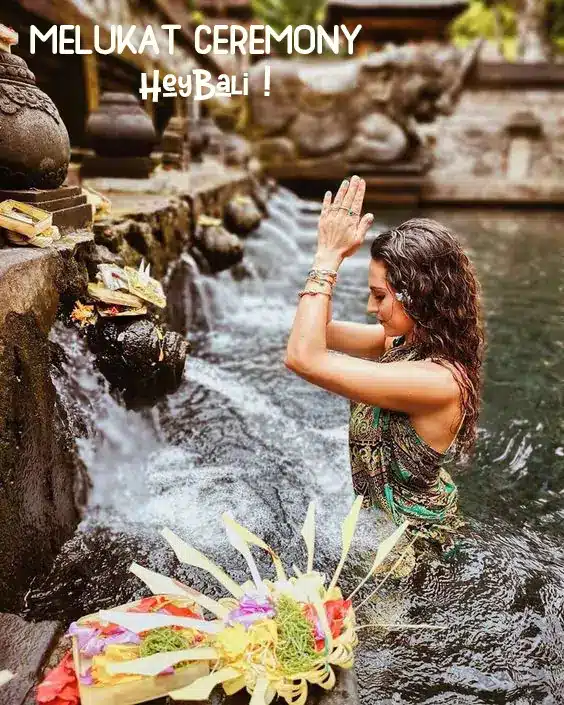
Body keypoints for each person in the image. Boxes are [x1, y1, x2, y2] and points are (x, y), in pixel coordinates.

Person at [285, 176, 484, 557]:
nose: (370, 309)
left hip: (413, 552)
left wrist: (326, 259)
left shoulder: (438, 382)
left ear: (420, 296)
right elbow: (312, 333)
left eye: (379, 296)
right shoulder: (403, 342)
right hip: (379, 531)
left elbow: (303, 356)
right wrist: (336, 259)